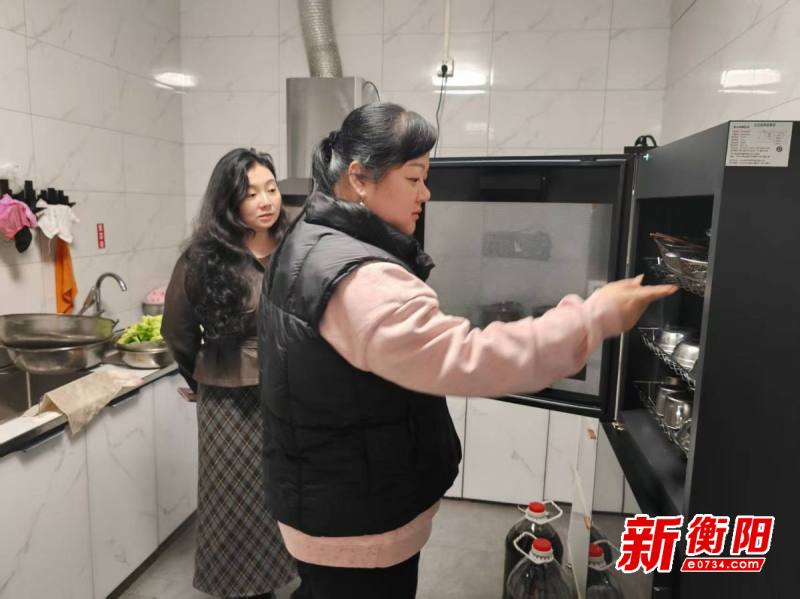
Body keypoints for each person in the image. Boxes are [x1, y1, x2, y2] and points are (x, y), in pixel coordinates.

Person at [258, 103, 677, 599]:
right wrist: (594, 317)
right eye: (414, 178)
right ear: (359, 177)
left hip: (327, 496)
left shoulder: (308, 238)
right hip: (357, 520)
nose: (425, 194)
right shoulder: (358, 278)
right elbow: (470, 358)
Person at [162, 148, 296, 599]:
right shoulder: (202, 258)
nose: (266, 201)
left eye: (271, 188)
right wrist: (201, 381)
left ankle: (284, 575)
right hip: (228, 400)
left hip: (292, 391)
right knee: (235, 499)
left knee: (285, 489)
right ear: (228, 201)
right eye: (251, 193)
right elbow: (177, 331)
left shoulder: (296, 244)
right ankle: (245, 590)